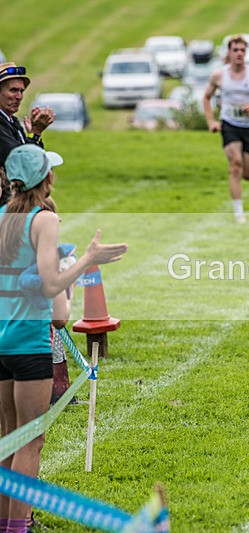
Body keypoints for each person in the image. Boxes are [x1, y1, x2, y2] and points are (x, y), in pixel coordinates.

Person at [0, 144, 127, 533]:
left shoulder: (2, 216)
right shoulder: (45, 220)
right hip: (29, 343)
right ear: (46, 178)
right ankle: (17, 527)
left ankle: (4, 521)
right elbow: (54, 293)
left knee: (7, 435)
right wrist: (87, 259)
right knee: (30, 440)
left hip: (0, 341)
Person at [203, 35, 249, 224]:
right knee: (235, 165)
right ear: (229, 53)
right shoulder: (219, 75)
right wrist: (211, 122)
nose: (239, 53)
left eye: (242, 50)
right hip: (229, 124)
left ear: (246, 52)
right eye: (235, 50)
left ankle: (239, 191)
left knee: (247, 174)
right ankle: (238, 212)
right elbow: (206, 97)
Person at [0, 63, 55, 207]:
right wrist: (35, 134)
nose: (19, 96)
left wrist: (33, 134)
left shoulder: (12, 121)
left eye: (21, 91)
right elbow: (26, 166)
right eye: (13, 90)